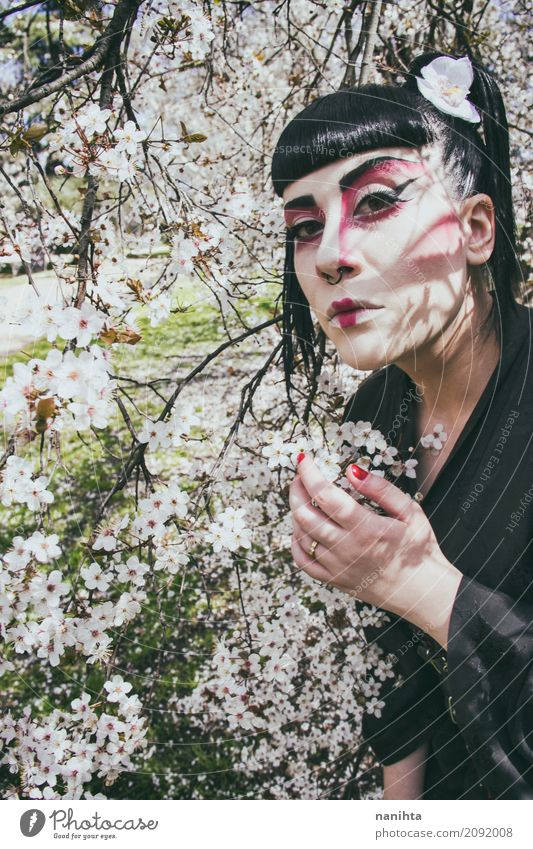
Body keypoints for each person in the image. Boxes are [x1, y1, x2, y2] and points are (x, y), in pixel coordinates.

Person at [270, 51, 533, 800]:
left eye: (378, 201)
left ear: (475, 227)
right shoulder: (374, 415)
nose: (330, 257)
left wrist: (415, 582)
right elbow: (392, 655)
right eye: (304, 226)